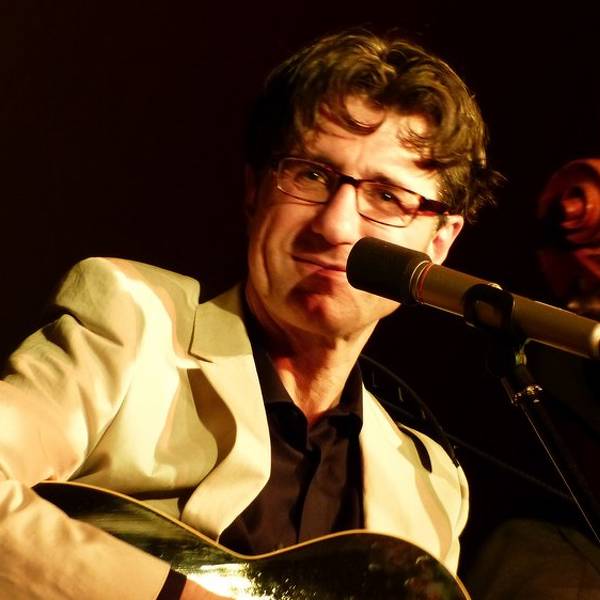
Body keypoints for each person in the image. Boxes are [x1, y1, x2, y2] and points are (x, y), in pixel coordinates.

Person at [0, 29, 497, 598]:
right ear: (254, 191)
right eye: (311, 174)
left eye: (387, 196)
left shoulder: (431, 490)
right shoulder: (133, 324)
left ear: (439, 242)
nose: (335, 225)